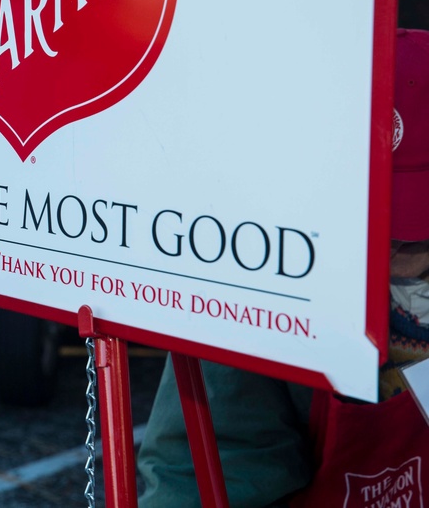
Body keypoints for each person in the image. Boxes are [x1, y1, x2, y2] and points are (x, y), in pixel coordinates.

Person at [137, 28, 429, 507]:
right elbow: (194, 477)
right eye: (369, 220)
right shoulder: (256, 289)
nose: (390, 245)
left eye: (409, 223)